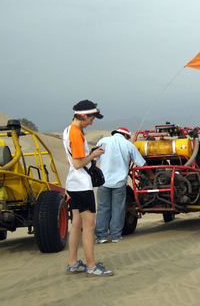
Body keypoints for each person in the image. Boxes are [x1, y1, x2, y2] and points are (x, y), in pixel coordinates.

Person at [63, 99, 113, 277]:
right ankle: (91, 266)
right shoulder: (76, 133)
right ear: (83, 115)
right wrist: (93, 155)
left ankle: (73, 263)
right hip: (82, 184)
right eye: (91, 117)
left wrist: (89, 156)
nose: (92, 121)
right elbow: (77, 163)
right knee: (89, 225)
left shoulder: (68, 130)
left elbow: (73, 161)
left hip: (72, 184)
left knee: (76, 224)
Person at [94, 127, 155, 244]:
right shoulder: (128, 145)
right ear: (126, 136)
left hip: (103, 182)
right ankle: (115, 236)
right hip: (119, 183)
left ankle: (101, 236)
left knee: (102, 209)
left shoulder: (103, 141)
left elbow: (93, 159)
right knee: (118, 209)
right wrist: (151, 175)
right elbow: (141, 162)